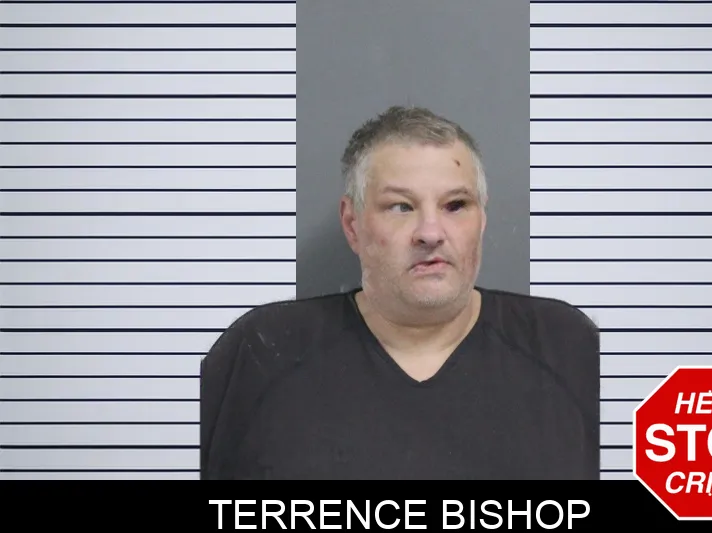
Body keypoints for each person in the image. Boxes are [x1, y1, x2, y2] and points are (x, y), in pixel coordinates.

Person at [200, 105, 600, 480]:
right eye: (401, 207)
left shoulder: (567, 348)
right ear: (352, 224)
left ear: (482, 219)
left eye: (455, 205)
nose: (430, 233)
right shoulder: (261, 354)